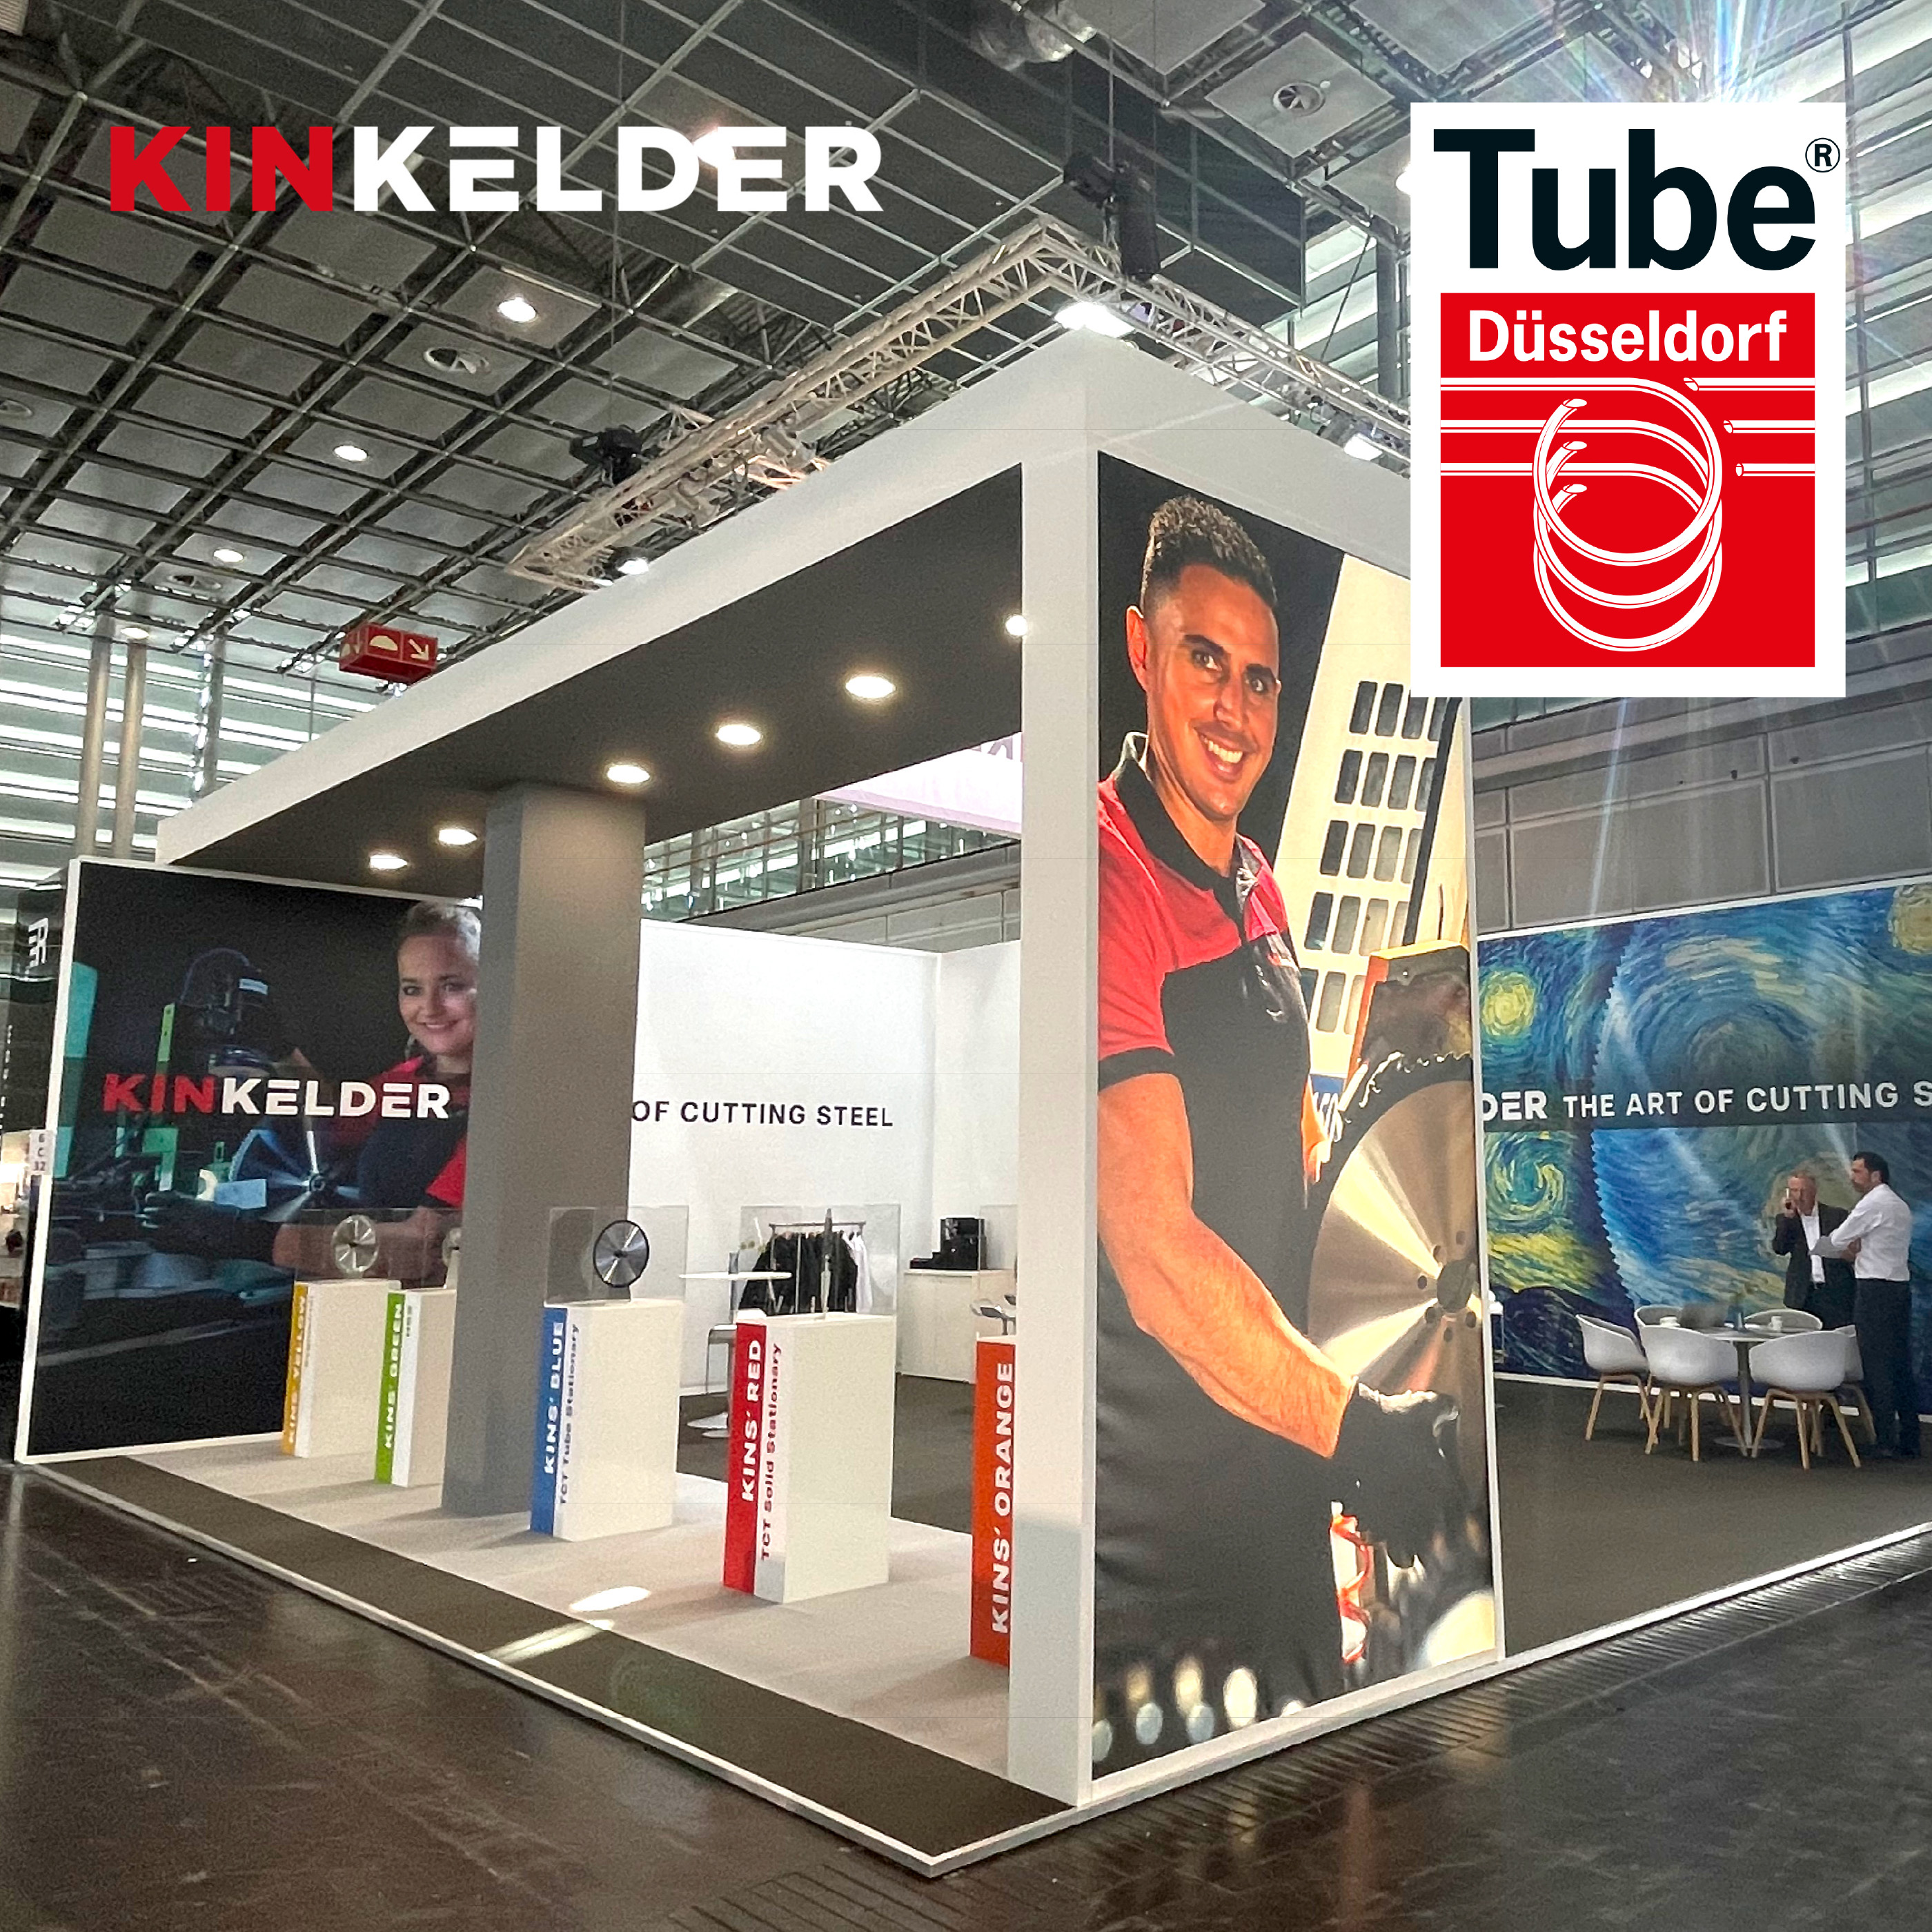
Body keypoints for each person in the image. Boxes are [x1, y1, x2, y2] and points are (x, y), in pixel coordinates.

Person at [1094, 495, 1459, 1767]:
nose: (1235, 710)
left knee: (1316, 1815)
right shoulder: (1104, 875)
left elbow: (1293, 1152)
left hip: (1285, 1473)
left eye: (1260, 679)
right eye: (1205, 660)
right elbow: (1154, 1252)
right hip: (1160, 1529)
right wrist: (1362, 1430)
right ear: (1141, 650)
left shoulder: (1260, 886)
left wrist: (1354, 1376)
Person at [142, 900, 476, 1282]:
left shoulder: (507, 1104)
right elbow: (326, 1122)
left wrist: (249, 1238)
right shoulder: (406, 1081)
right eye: (412, 989)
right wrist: (281, 1051)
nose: (429, 1008)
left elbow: (426, 1247)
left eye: (452, 986)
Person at [1814, 1151, 1918, 1458]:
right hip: (1899, 1287)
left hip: (1874, 1291)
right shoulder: (1899, 1205)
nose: (1852, 1177)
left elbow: (1837, 1240)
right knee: (1900, 1363)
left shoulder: (1872, 1204)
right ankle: (1910, 1437)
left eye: (1858, 1172)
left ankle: (1884, 1440)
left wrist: (1829, 1247)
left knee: (1876, 1365)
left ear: (1876, 1175)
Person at [1771, 1170, 1855, 1330]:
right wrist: (1788, 1218)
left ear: (1814, 1191)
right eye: (1795, 1191)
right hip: (1804, 1293)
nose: (1800, 1196)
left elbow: (1849, 1249)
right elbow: (1780, 1249)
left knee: (1837, 1337)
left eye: (1804, 1191)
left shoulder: (1836, 1216)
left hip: (1835, 1292)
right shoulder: (1787, 1220)